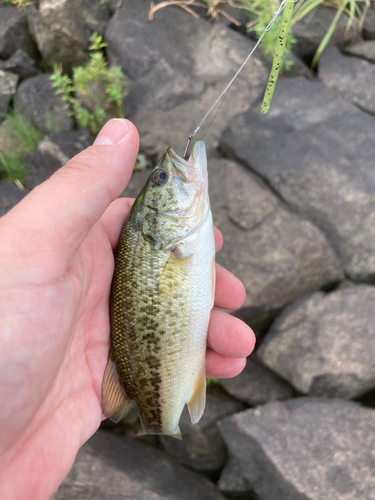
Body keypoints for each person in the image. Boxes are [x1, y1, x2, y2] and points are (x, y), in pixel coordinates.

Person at [0, 119, 255, 499]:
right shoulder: (169, 235)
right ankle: (164, 420)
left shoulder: (169, 234)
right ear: (155, 221)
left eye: (160, 179)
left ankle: (162, 418)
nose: (168, 172)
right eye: (162, 180)